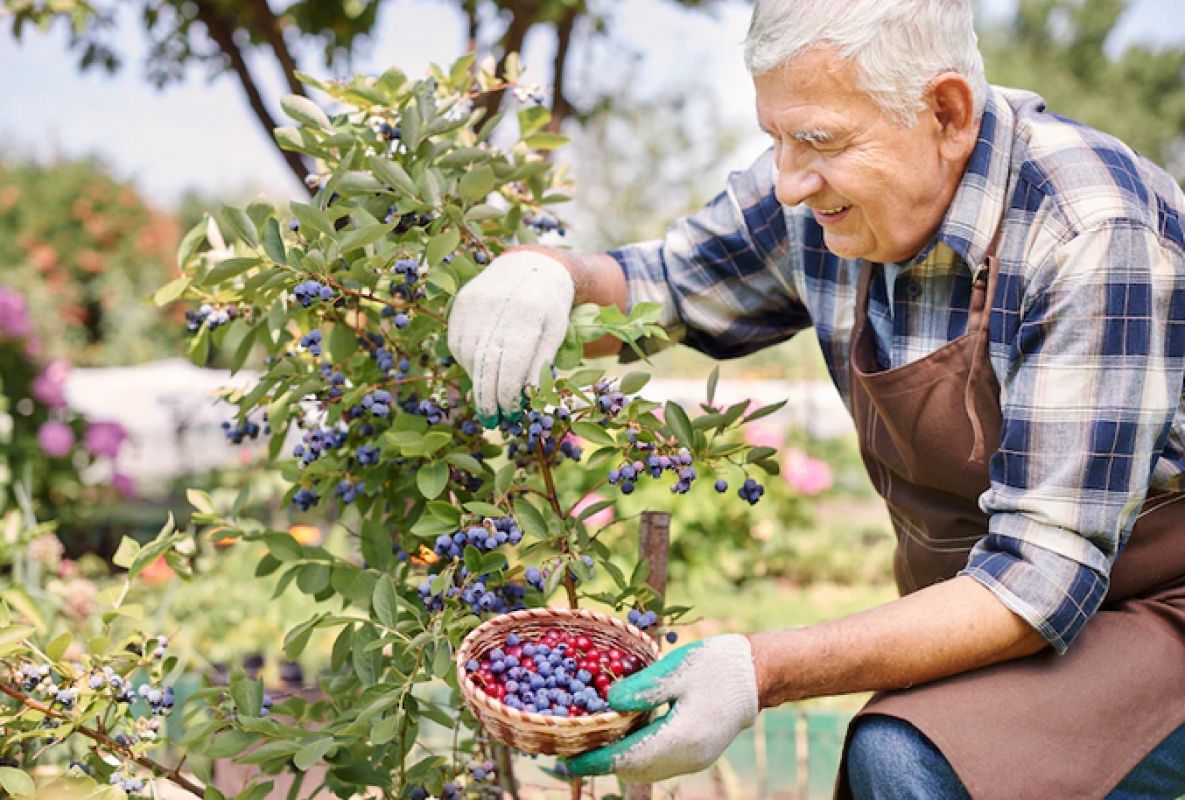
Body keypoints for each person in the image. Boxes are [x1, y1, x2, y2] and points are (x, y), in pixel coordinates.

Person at [446, 1, 1185, 796]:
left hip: (1156, 605)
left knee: (907, 757)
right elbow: (659, 286)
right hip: (1004, 601)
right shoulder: (826, 196)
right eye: (775, 138)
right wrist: (549, 277)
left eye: (819, 142)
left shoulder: (1088, 231)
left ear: (945, 112)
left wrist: (759, 669)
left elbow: (1038, 581)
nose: (789, 183)